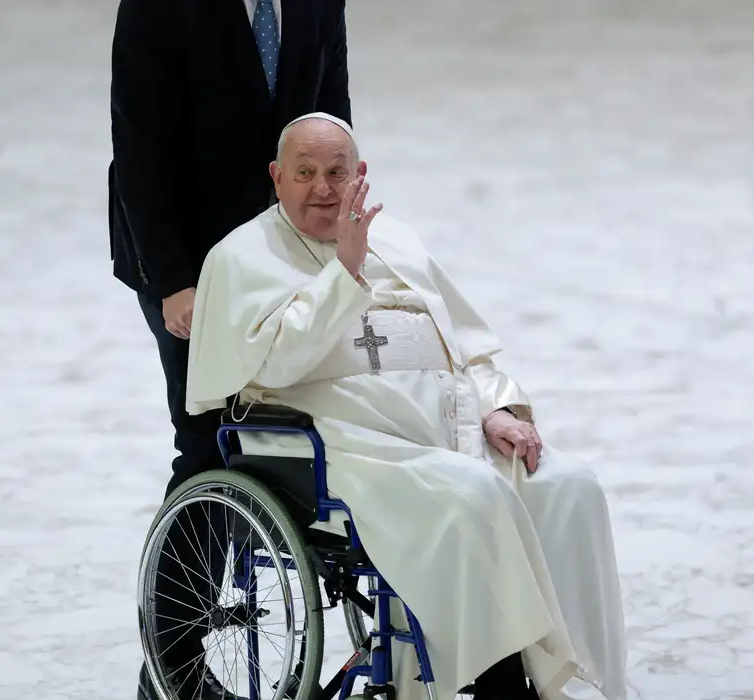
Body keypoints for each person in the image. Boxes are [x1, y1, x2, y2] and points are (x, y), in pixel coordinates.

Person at [185, 113, 629, 700]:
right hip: (350, 451)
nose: (322, 188)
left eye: (336, 172)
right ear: (276, 177)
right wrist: (343, 269)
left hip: (452, 434)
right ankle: (501, 684)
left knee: (569, 485)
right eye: (305, 173)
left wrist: (496, 409)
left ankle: (565, 673)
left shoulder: (397, 239)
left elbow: (465, 344)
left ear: (360, 175)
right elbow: (274, 366)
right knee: (473, 497)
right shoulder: (239, 257)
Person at [106, 1, 355, 698]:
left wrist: (341, 232)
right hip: (184, 251)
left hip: (284, 245)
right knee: (211, 439)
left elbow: (331, 117)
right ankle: (173, 661)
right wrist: (174, 281)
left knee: (299, 417)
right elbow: (141, 143)